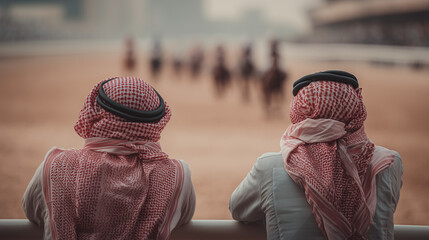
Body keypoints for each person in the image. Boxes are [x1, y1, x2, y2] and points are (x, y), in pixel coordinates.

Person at [229, 70, 403, 240]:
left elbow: (237, 209)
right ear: (356, 109)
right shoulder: (390, 163)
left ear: (298, 110)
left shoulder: (268, 166)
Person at [22, 77, 196, 240]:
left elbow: (31, 209)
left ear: (94, 112)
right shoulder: (177, 176)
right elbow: (183, 216)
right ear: (156, 122)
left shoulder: (56, 165)